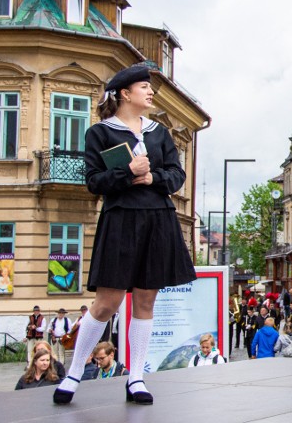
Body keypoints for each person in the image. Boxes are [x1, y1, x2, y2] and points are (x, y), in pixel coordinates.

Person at [52, 64, 196, 406]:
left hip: (158, 218)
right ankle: (74, 373)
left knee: (146, 301)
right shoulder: (100, 133)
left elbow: (177, 175)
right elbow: (93, 182)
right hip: (120, 220)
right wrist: (127, 172)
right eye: (144, 87)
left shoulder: (160, 132)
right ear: (124, 94)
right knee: (107, 302)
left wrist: (151, 179)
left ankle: (136, 378)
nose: (150, 93)